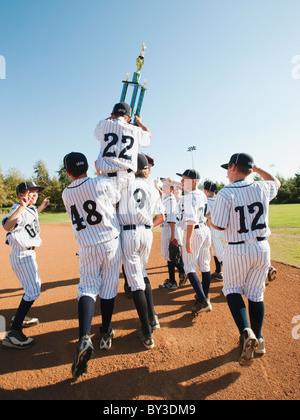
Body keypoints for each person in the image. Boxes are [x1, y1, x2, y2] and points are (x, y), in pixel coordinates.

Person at [211, 153, 280, 365]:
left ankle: (245, 332)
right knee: (256, 294)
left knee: (232, 290)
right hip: (261, 248)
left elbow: (219, 226)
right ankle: (258, 339)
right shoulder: (261, 187)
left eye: (228, 168)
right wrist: (257, 168)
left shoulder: (225, 193)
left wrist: (209, 219)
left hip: (237, 249)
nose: (226, 172)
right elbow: (276, 182)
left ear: (233, 167)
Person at [62, 152, 122, 380]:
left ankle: (84, 337)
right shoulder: (101, 181)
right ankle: (105, 333)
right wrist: (100, 174)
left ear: (68, 172)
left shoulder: (66, 193)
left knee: (87, 288)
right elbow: (116, 198)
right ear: (88, 165)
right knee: (108, 289)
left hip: (87, 246)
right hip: (110, 242)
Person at [118, 154, 165, 349]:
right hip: (147, 233)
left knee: (135, 281)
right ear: (146, 168)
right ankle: (153, 317)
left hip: (129, 233)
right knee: (142, 274)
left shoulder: (122, 185)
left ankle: (146, 332)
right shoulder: (153, 189)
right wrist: (146, 227)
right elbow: (161, 217)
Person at [2, 182, 50, 349]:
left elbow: (29, 218)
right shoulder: (18, 210)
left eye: (36, 192)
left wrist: (41, 207)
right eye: (31, 192)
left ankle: (19, 318)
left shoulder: (27, 209)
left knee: (31, 289)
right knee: (33, 290)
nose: (35, 195)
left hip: (26, 254)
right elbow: (8, 226)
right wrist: (21, 207)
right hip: (22, 255)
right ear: (21, 195)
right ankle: (13, 333)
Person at [176, 169, 212, 315]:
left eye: (185, 179)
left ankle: (203, 300)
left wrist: (188, 239)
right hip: (205, 229)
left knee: (189, 266)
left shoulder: (190, 196)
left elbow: (191, 220)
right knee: (204, 264)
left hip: (195, 231)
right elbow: (208, 214)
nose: (182, 182)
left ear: (193, 182)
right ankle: (204, 295)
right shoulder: (202, 194)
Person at [94, 102, 151, 190]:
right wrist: (139, 122)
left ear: (112, 115)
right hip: (127, 179)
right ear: (129, 119)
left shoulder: (102, 124)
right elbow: (148, 134)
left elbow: (97, 133)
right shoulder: (136, 130)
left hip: (105, 179)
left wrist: (111, 118)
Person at [159, 179, 185, 290]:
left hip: (170, 229)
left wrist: (172, 236)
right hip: (167, 229)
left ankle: (181, 273)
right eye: (163, 186)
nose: (164, 187)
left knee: (171, 256)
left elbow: (172, 220)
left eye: (166, 186)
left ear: (172, 189)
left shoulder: (171, 200)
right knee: (169, 256)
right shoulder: (167, 198)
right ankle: (173, 279)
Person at [203, 180, 224, 281]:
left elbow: (207, 219)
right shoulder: (218, 200)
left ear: (206, 191)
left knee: (220, 253)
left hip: (214, 230)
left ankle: (231, 276)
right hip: (222, 228)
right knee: (216, 251)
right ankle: (218, 271)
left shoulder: (206, 202)